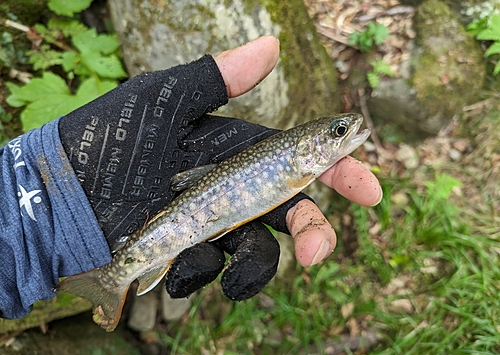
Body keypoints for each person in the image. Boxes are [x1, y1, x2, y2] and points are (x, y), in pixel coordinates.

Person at [0, 36, 382, 320]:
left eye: (339, 131)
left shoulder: (301, 160)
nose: (346, 132)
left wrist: (35, 209)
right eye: (336, 132)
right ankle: (112, 279)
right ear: (309, 147)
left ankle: (112, 275)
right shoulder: (299, 164)